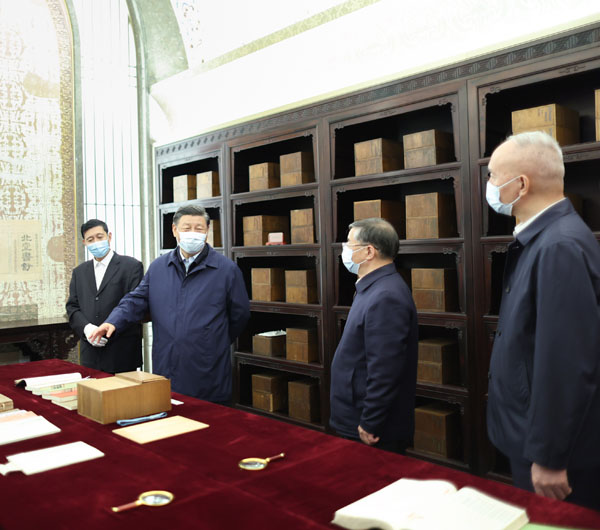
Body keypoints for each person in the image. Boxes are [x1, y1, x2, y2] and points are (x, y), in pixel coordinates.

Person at [486, 131, 600, 511]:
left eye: (493, 175)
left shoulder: (559, 245)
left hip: (554, 455)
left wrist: (550, 455)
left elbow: (567, 361)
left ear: (520, 185)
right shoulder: (544, 239)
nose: (489, 184)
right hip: (529, 435)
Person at [90, 205, 250, 402]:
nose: (193, 233)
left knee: (208, 418)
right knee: (168, 412)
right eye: (186, 228)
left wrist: (211, 340)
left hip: (207, 367)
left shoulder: (226, 270)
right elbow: (136, 299)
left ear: (207, 231)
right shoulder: (159, 267)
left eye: (199, 228)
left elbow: (240, 315)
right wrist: (113, 321)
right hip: (167, 362)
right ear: (175, 230)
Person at [329, 217, 418, 453]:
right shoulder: (373, 287)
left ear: (369, 251)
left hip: (369, 425)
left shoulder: (386, 295)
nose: (344, 250)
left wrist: (371, 421)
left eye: (349, 244)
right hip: (354, 412)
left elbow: (385, 369)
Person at [66, 219, 144, 373]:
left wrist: (110, 326)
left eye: (99, 237)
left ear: (109, 236)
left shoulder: (131, 266)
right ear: (84, 243)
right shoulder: (79, 272)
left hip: (122, 351)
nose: (96, 242)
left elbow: (135, 305)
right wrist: (87, 329)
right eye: (90, 239)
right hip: (90, 353)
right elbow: (72, 307)